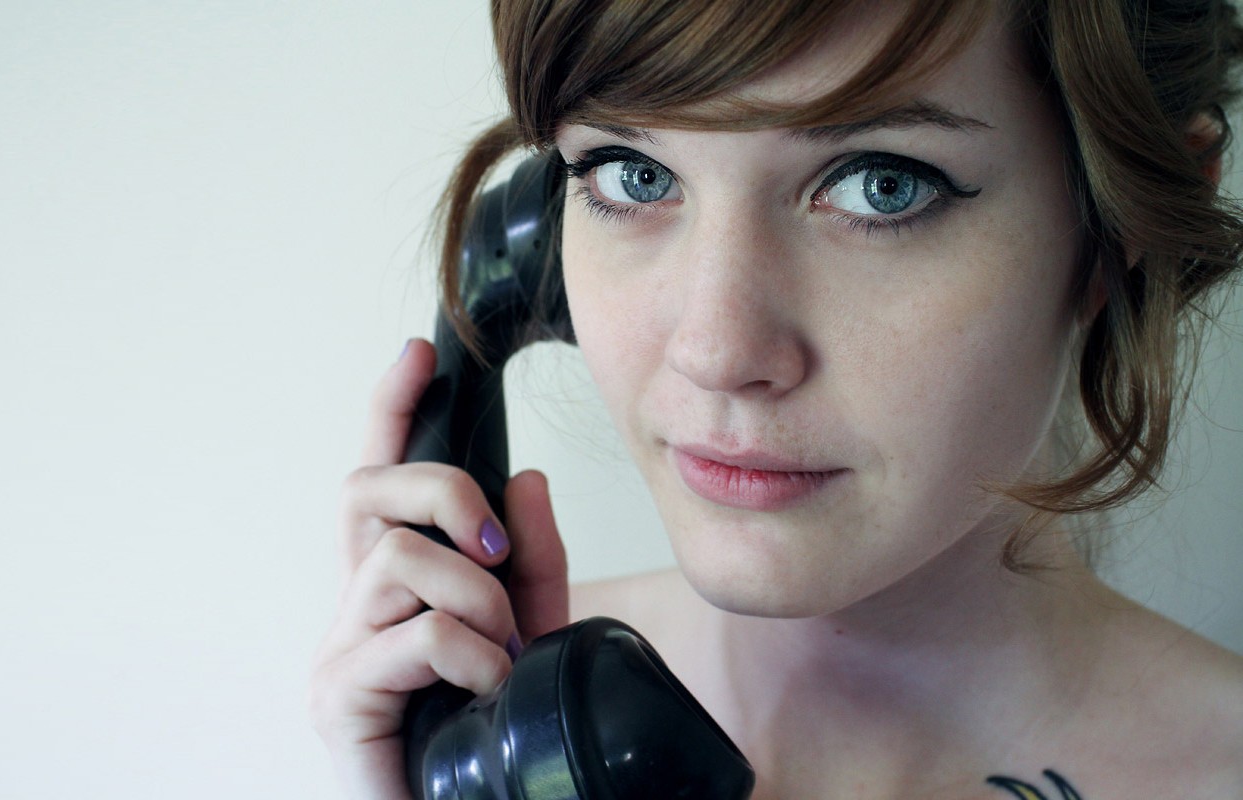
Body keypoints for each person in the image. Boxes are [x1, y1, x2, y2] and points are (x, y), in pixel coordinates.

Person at [312, 0, 1243, 796]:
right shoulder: (482, 713)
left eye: (882, 187)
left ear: (1124, 219)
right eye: (633, 175)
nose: (716, 352)